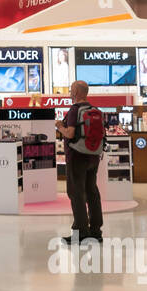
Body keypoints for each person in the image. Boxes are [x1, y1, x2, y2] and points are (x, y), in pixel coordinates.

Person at [57, 80, 102, 243]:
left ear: (75, 92)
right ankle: (96, 231)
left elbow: (69, 133)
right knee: (92, 192)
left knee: (76, 193)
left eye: (71, 90)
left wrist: (59, 126)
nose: (70, 93)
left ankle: (81, 232)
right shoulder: (95, 110)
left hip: (77, 157)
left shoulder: (74, 110)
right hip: (93, 156)